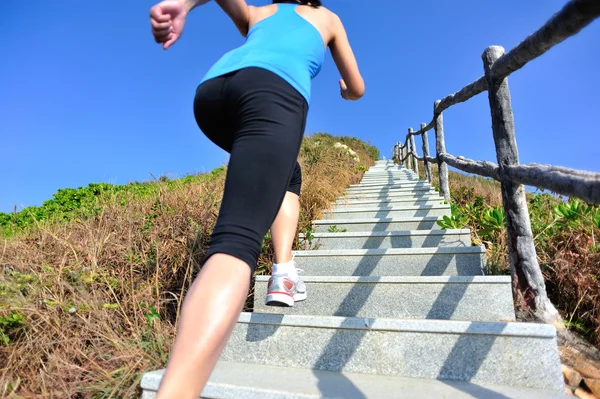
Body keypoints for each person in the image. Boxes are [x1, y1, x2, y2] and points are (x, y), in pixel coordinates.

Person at [149, 0, 364, 397]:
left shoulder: (262, 12)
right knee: (236, 244)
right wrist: (346, 92)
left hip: (215, 92)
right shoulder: (329, 19)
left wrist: (182, 5)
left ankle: (284, 270)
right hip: (274, 93)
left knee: (286, 173)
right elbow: (357, 87)